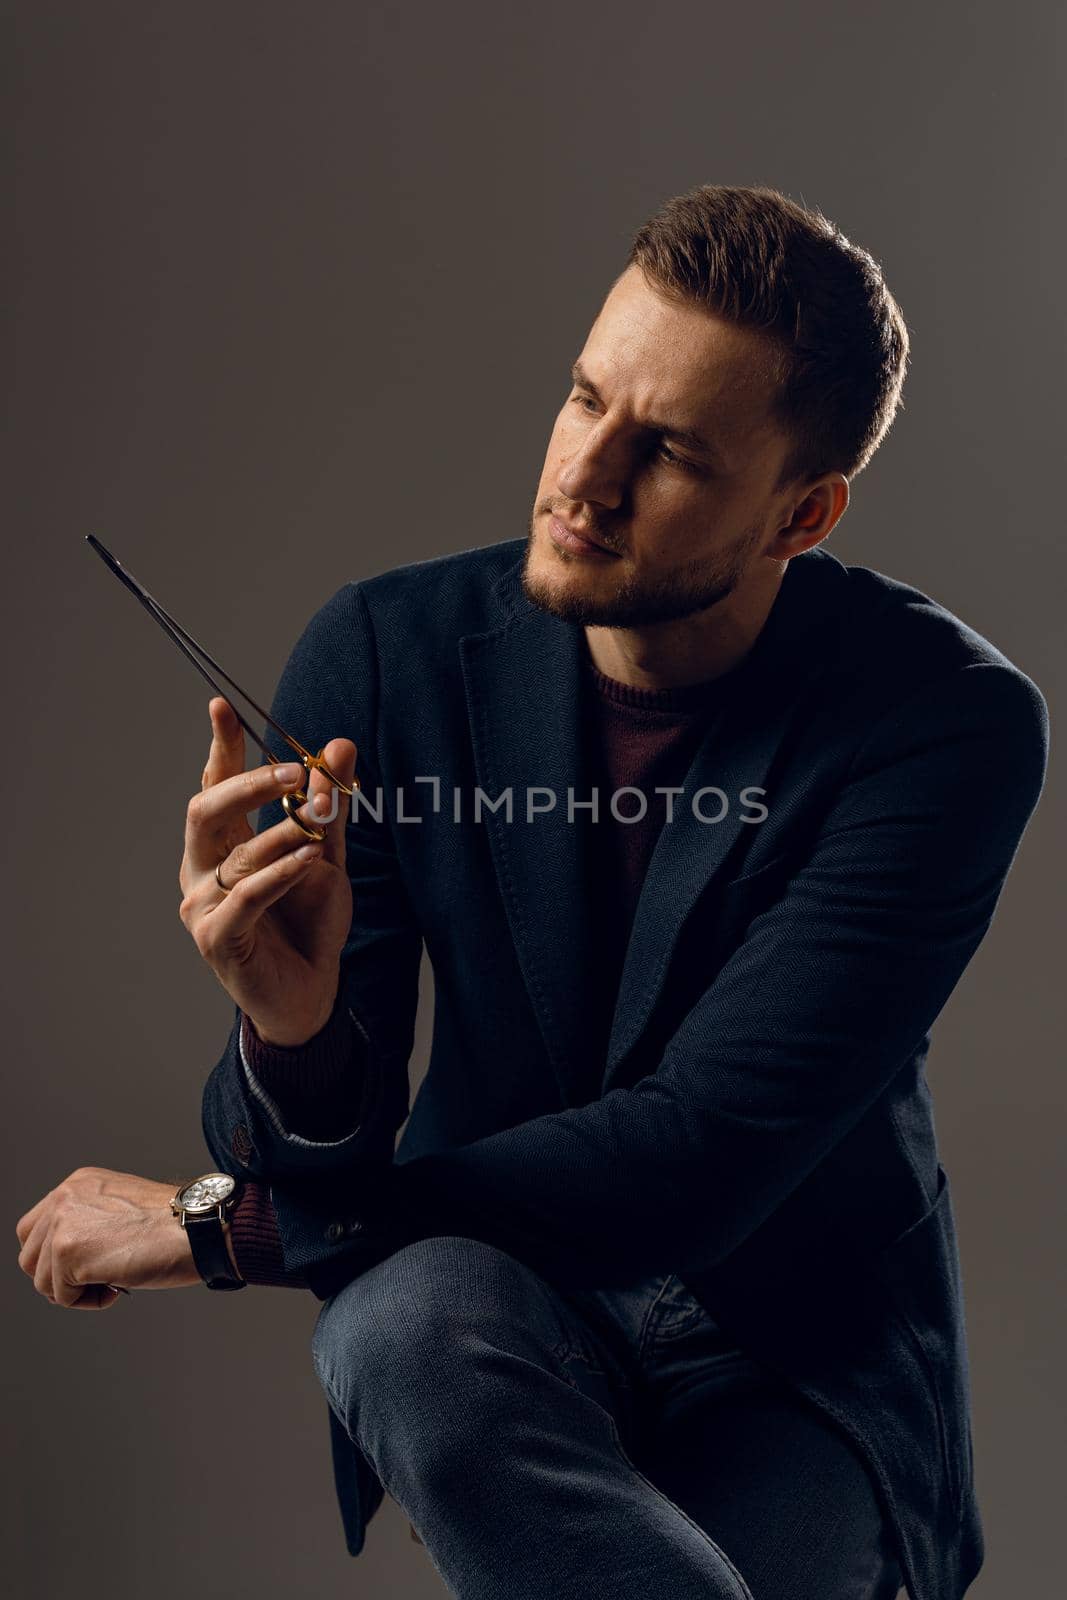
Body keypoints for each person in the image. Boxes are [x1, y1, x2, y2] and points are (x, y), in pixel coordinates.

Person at [15, 184, 1049, 1600]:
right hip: (491, 1300)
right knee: (396, 1327)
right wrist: (292, 1030)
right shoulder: (385, 653)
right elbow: (326, 1140)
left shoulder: (945, 723)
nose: (584, 474)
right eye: (583, 396)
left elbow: (698, 1154)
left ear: (800, 513)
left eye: (672, 448)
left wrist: (226, 1228)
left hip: (801, 1345)